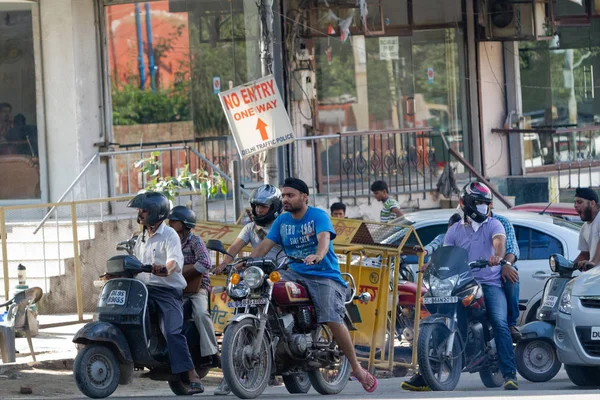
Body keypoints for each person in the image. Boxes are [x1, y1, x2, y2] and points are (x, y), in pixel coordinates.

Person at [250, 177, 379, 393]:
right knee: (265, 288)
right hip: (293, 273)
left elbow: (324, 238)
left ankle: (356, 367)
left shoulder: (318, 215)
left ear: (304, 197)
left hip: (324, 275)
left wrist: (319, 255)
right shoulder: (282, 221)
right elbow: (264, 247)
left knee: (330, 316)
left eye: (290, 195)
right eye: (283, 196)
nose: (286, 199)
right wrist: (245, 264)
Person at [402, 182, 518, 392]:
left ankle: (510, 374)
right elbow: (446, 254)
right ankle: (427, 374)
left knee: (500, 323)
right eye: (479, 203)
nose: (484, 207)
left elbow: (500, 244)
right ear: (467, 204)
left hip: (488, 283)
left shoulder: (494, 225)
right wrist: (432, 264)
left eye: (486, 203)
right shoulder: (454, 230)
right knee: (435, 319)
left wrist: (497, 258)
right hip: (460, 283)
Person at [127, 191, 204, 394]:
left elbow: (172, 264)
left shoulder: (169, 235)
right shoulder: (141, 235)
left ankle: (192, 374)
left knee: (171, 331)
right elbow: (134, 262)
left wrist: (158, 268)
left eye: (142, 210)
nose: (139, 214)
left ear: (154, 212)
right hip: (142, 289)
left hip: (166, 291)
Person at [213, 184, 284, 396]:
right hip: (253, 278)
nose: (259, 211)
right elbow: (233, 249)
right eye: (256, 207)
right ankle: (231, 376)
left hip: (276, 275)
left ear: (274, 206)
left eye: (263, 207)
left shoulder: (282, 225)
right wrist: (224, 263)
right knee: (238, 315)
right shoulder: (249, 228)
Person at [167, 206, 220, 373]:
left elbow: (206, 263)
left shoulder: (195, 241)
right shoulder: (169, 240)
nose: (170, 223)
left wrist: (184, 273)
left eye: (174, 221)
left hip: (197, 289)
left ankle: (212, 353)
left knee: (200, 313)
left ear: (184, 224)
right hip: (176, 289)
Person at [489, 204, 522, 342]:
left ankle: (511, 323)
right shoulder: (463, 224)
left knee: (511, 276)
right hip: (473, 271)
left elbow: (511, 249)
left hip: (496, 269)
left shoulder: (502, 222)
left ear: (490, 205)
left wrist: (506, 264)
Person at [573, 187, 600, 271]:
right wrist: (570, 266)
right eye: (575, 202)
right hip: (594, 276)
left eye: (580, 202)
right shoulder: (584, 228)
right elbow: (585, 254)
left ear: (592, 203)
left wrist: (593, 262)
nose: (575, 206)